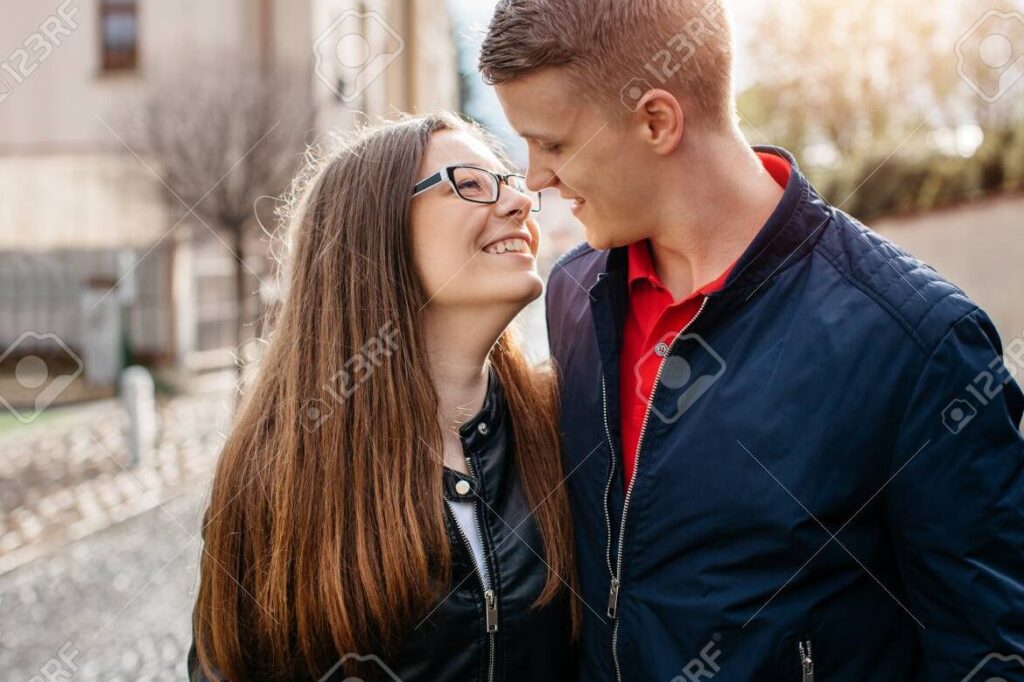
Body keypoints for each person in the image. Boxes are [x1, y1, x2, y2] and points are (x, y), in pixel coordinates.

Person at [479, 1, 1024, 680]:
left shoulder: (917, 342)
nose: (535, 177)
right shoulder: (572, 293)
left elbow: (990, 654)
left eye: (554, 145)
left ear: (656, 121)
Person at [186, 112, 578, 681]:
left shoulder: (565, 426)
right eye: (471, 184)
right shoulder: (277, 470)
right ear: (374, 230)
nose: (520, 202)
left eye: (512, 183)